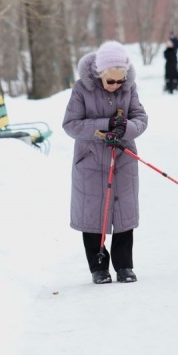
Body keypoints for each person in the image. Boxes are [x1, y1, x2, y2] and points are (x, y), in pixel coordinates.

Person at [62, 41, 149, 284]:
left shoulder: (128, 88)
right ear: (100, 73)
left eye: (121, 81)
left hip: (123, 158)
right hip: (90, 160)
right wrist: (104, 125)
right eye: (111, 81)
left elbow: (141, 119)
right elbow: (71, 125)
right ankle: (98, 267)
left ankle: (124, 266)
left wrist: (125, 128)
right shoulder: (81, 89)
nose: (116, 86)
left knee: (123, 213)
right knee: (93, 213)